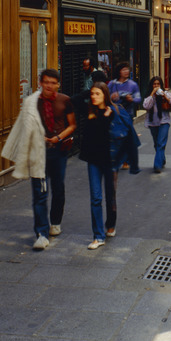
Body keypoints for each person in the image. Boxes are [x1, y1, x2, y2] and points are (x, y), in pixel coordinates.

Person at [1, 68, 76, 250]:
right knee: (39, 194)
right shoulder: (32, 103)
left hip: (58, 152)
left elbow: (72, 125)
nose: (49, 86)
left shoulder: (65, 100)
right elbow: (24, 125)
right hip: (38, 152)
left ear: (58, 84)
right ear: (40, 83)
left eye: (53, 83)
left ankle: (55, 222)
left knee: (58, 189)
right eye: (46, 82)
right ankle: (41, 234)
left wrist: (58, 138)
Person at [78, 81, 117, 250]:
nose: (93, 97)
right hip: (93, 160)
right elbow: (74, 100)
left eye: (97, 94)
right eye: (92, 94)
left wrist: (106, 116)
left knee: (110, 195)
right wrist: (88, 91)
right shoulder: (90, 111)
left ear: (105, 95)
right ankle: (98, 236)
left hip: (110, 160)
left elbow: (107, 134)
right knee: (96, 198)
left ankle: (111, 224)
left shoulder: (112, 112)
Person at [142, 75, 171, 172]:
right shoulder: (149, 95)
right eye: (154, 84)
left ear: (161, 85)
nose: (156, 86)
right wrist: (152, 94)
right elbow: (146, 106)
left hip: (164, 121)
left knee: (161, 143)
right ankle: (162, 159)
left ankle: (157, 165)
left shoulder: (166, 93)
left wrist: (165, 96)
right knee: (157, 144)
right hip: (153, 123)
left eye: (158, 84)